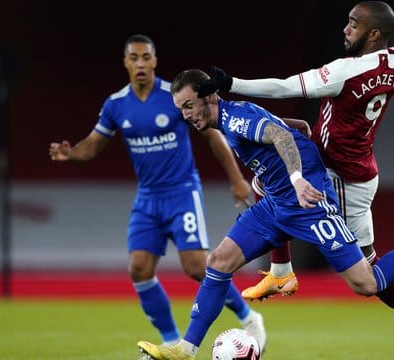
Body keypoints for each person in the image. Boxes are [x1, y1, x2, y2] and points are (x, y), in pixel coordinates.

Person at [136, 69, 394, 360]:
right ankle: (186, 348)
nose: (186, 115)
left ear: (209, 97)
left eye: (188, 105)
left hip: (308, 204)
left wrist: (299, 178)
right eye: (180, 108)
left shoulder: (237, 118)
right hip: (276, 205)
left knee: (365, 282)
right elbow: (298, 128)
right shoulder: (230, 120)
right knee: (219, 261)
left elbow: (279, 137)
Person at [199, 0, 394, 356]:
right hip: (359, 168)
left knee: (365, 278)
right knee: (268, 184)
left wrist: (232, 82)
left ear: (374, 33)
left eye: (353, 24)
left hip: (339, 176)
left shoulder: (345, 71)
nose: (345, 28)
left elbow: (285, 87)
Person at [47, 34, 266, 351]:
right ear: (125, 62)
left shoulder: (174, 97)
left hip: (182, 192)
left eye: (145, 57)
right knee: (138, 269)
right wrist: (73, 153)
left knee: (195, 268)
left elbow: (212, 137)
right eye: (133, 57)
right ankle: (168, 342)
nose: (140, 63)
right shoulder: (116, 104)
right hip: (147, 198)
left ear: (154, 61)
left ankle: (248, 317)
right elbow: (93, 145)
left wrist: (236, 179)